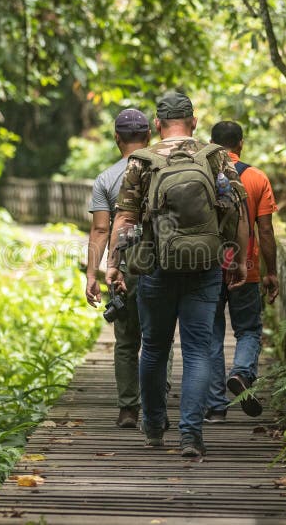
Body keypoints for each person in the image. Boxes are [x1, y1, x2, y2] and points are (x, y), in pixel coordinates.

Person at [106, 92, 249, 458]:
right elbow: (236, 209)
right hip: (205, 265)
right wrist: (237, 260)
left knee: (153, 348)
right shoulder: (214, 156)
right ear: (194, 122)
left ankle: (154, 427)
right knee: (199, 349)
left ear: (157, 124)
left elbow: (124, 218)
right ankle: (191, 435)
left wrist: (114, 264)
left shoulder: (141, 161)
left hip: (155, 265)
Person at [85, 108, 173, 429]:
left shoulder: (106, 179)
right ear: (149, 136)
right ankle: (158, 402)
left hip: (123, 265)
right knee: (159, 337)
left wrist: (92, 273)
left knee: (125, 339)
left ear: (116, 139)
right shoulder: (164, 169)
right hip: (163, 263)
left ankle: (128, 408)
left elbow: (100, 230)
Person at [204, 120, 279, 423]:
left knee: (211, 335)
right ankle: (242, 373)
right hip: (246, 268)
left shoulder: (202, 174)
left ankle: (216, 407)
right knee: (248, 329)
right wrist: (270, 271)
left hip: (208, 267)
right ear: (241, 144)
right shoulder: (257, 177)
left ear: (211, 143)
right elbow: (266, 229)